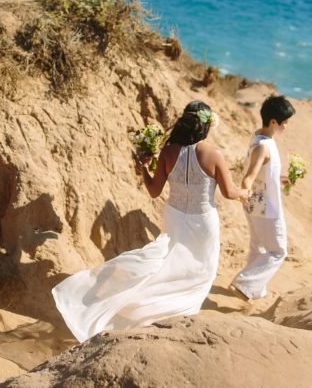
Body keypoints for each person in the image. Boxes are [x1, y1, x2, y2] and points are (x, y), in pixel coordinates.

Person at [52, 100, 249, 342]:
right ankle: (179, 316)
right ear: (206, 126)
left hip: (175, 216)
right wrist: (245, 193)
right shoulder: (213, 154)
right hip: (202, 221)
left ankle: (134, 305)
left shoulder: (168, 151)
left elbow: (154, 191)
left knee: (165, 262)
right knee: (200, 271)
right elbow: (229, 193)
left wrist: (144, 168)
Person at [230, 95, 296, 301]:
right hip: (265, 207)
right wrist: (245, 189)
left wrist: (277, 178)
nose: (287, 126)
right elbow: (250, 175)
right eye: (285, 122)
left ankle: (255, 290)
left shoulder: (259, 136)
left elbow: (262, 172)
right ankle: (245, 283)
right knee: (278, 251)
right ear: (274, 122)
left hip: (256, 204)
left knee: (257, 246)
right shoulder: (263, 146)